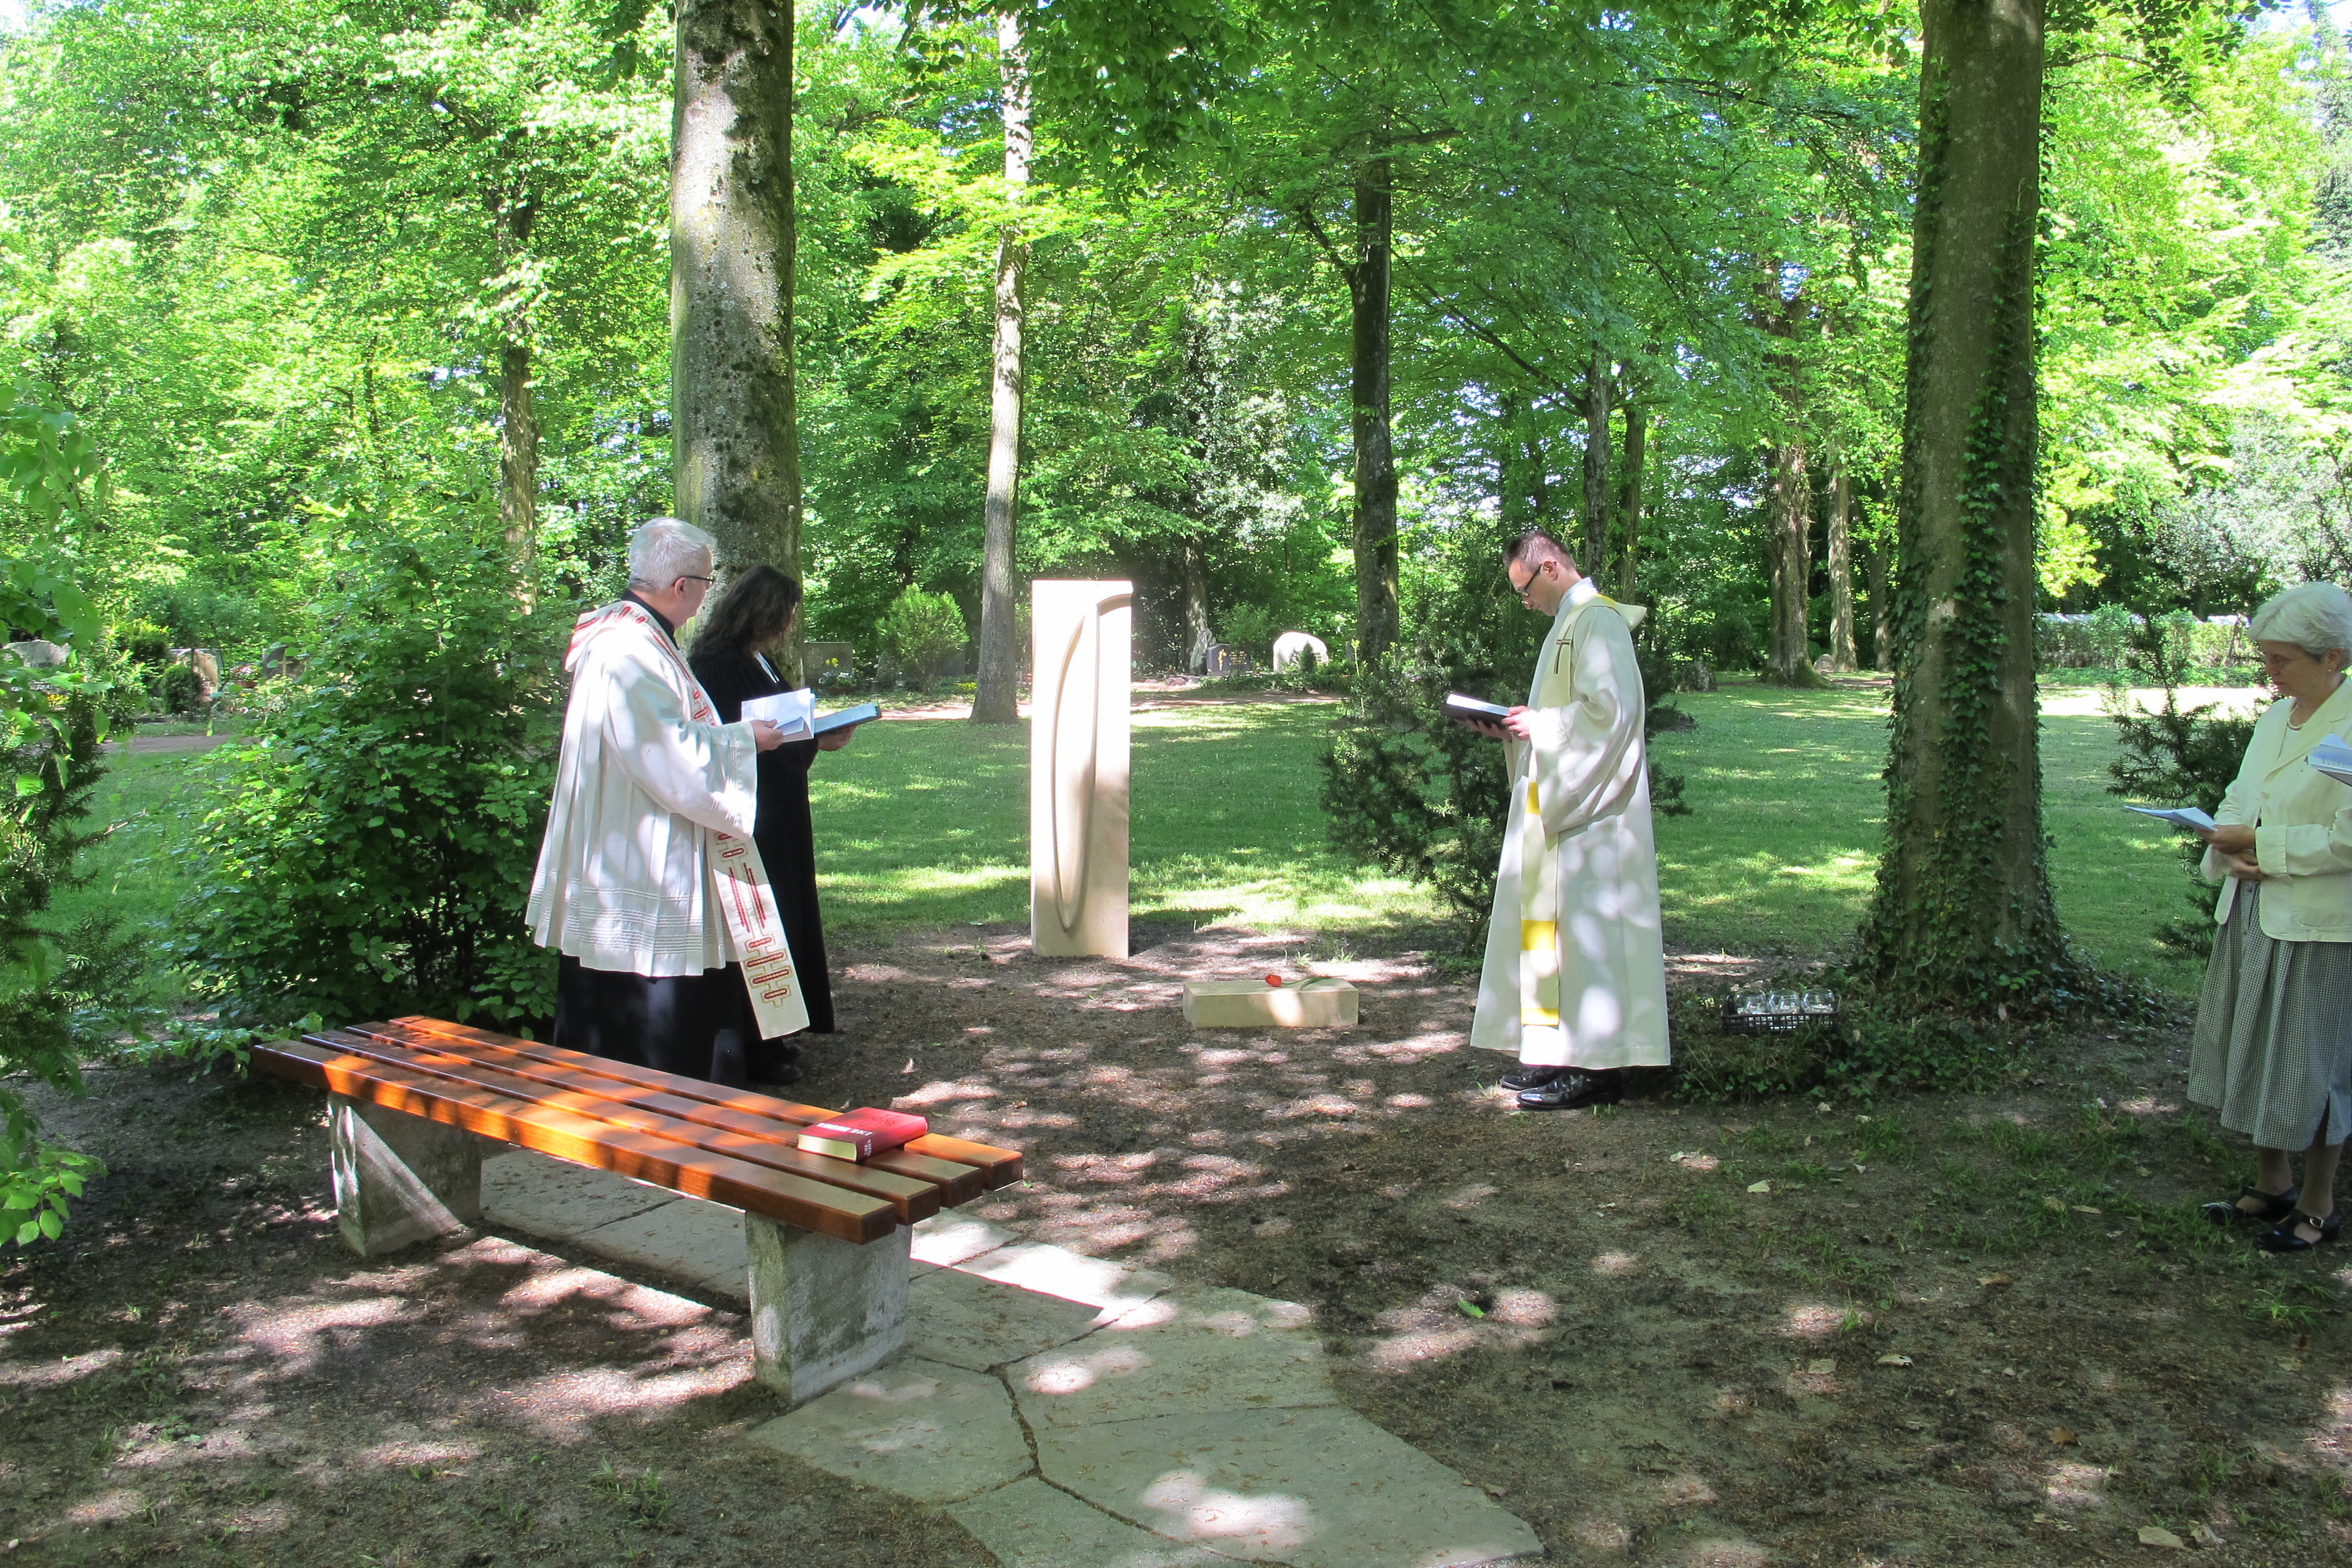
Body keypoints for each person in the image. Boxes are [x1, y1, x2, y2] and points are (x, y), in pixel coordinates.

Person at [525, 517, 810, 1086]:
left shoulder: (640, 640)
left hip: (636, 841)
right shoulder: (629, 650)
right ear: (681, 586)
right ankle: (656, 1106)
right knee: (648, 997)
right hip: (643, 856)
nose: (709, 596)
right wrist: (744, 740)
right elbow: (665, 754)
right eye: (706, 583)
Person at [1465, 529, 1671, 1110]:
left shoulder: (1598, 622)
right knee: (1553, 939)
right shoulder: (1566, 625)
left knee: (1591, 937)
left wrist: (1545, 726)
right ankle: (1558, 1054)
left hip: (1596, 814)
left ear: (1549, 567)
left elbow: (1614, 714)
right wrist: (1512, 729)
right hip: (1562, 804)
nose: (1525, 601)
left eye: (1525, 588)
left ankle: (1600, 1071)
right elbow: (1562, 713)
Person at [2189, 580, 2352, 1251]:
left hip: (2320, 922)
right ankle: (2271, 1182)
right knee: (2256, 1042)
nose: (2270, 670)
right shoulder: (2272, 718)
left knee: (2313, 1061)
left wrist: (2265, 846)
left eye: (2283, 658)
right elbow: (2240, 795)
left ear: (2333, 657)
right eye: (2267, 655)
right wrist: (2226, 842)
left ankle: (2319, 1202)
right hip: (2254, 908)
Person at [689, 565, 853, 1043]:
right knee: (761, 918)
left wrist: (817, 737)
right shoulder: (720, 666)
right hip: (756, 813)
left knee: (786, 911)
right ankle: (757, 1040)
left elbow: (780, 726)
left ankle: (783, 1029)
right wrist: (808, 742)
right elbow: (732, 742)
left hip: (783, 808)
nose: (788, 626)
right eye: (785, 615)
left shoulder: (757, 659)